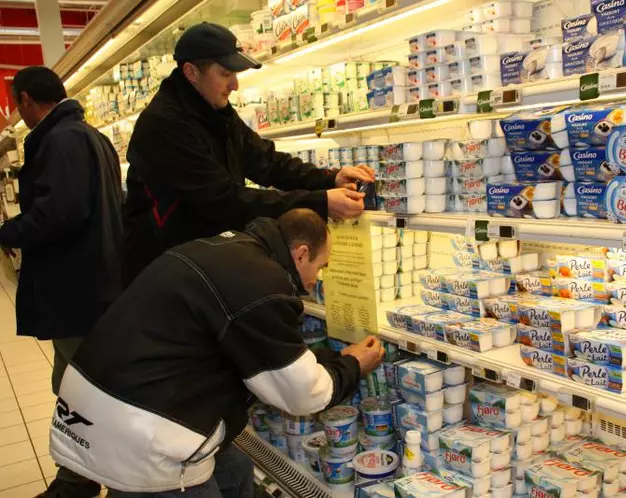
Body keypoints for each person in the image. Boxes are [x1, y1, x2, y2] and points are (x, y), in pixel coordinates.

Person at [50, 208, 384, 496]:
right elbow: (304, 395)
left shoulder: (228, 250)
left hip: (95, 396)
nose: (318, 279)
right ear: (299, 254)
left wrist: (336, 360)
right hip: (139, 430)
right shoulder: (263, 286)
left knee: (235, 468)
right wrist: (354, 365)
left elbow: (255, 352)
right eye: (321, 266)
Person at [123, 22, 373, 285]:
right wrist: (320, 202)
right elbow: (223, 201)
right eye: (225, 73)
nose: (235, 84)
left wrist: (329, 179)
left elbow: (266, 161)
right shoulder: (164, 124)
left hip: (203, 259)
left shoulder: (215, 111)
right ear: (191, 72)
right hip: (167, 271)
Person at [0, 67, 123, 498]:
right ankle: (79, 477)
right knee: (73, 387)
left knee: (85, 392)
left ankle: (90, 481)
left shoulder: (63, 140)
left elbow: (60, 214)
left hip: (76, 290)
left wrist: (8, 233)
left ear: (28, 100)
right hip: (90, 286)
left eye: (18, 102)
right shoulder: (89, 136)